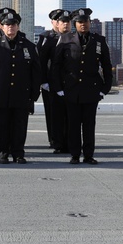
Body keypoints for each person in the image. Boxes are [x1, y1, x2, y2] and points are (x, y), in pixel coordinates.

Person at [50, 8, 113, 164]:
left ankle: (89, 155)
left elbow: (106, 65)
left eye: (85, 21)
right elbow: (56, 66)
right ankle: (75, 154)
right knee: (73, 124)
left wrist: (105, 89)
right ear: (75, 24)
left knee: (89, 125)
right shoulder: (65, 39)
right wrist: (58, 88)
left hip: (92, 90)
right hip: (71, 89)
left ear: (90, 22)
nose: (83, 24)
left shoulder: (99, 40)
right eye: (79, 22)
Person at [0, 9, 42, 163]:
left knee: (19, 125)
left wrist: (34, 93)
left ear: (18, 26)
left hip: (21, 92)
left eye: (14, 24)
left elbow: (36, 71)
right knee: (0, 125)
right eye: (7, 25)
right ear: (2, 26)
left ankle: (18, 152)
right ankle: (2, 152)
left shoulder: (28, 46)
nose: (11, 27)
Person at [36, 9, 72, 153]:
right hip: (51, 83)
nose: (65, 24)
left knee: (69, 114)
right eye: (62, 21)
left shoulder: (73, 37)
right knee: (53, 115)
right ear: (55, 23)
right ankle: (55, 140)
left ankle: (69, 141)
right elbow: (40, 61)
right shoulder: (47, 38)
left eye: (68, 21)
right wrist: (43, 81)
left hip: (69, 83)